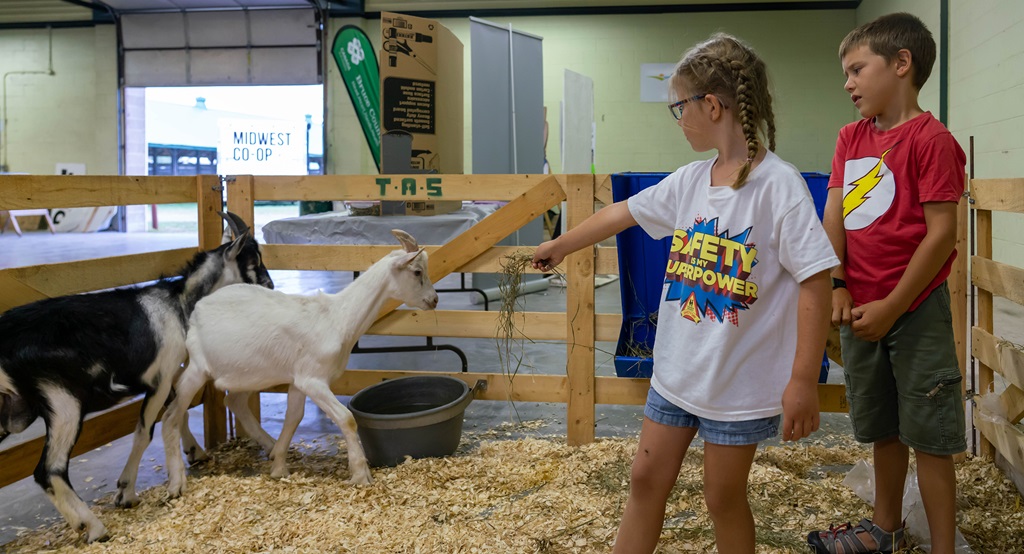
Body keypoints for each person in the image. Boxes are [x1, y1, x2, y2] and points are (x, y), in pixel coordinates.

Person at [532, 33, 837, 554]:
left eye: (680, 107)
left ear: (712, 106)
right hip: (675, 374)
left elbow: (815, 280)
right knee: (645, 480)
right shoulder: (691, 180)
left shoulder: (779, 186)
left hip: (737, 385)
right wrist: (561, 244)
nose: (678, 119)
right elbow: (622, 213)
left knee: (722, 498)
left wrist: (804, 380)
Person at [807, 12, 967, 554]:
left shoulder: (931, 140)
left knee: (931, 434)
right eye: (846, 74)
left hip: (914, 310)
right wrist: (837, 283)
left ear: (901, 64)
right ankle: (886, 529)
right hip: (859, 305)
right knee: (883, 427)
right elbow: (834, 214)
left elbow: (942, 234)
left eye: (857, 70)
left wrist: (894, 306)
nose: (848, 83)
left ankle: (942, 547)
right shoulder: (850, 138)